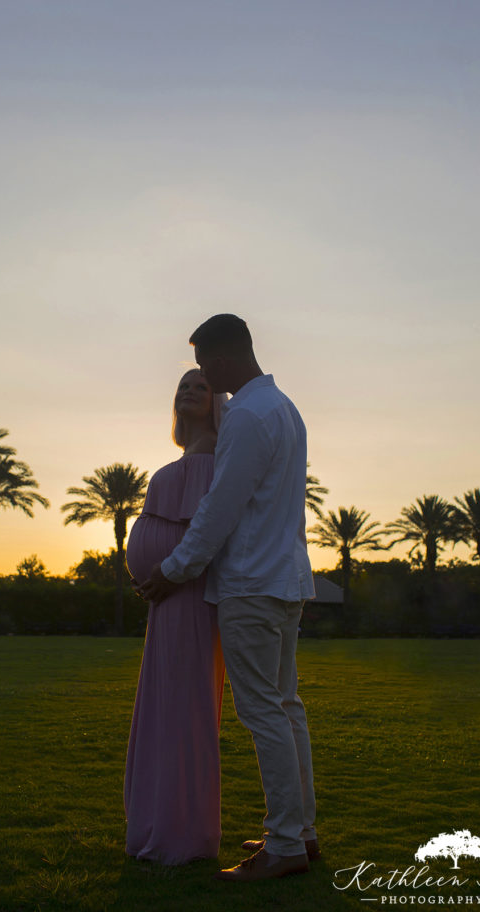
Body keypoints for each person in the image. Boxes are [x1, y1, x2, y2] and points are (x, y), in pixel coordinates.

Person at [140, 314, 318, 882]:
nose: (200, 376)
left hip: (251, 584)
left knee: (264, 710)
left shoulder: (246, 415)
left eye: (202, 366)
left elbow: (222, 507)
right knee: (287, 708)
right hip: (285, 581)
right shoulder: (285, 409)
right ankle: (302, 831)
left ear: (219, 361)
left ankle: (285, 843)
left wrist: (173, 569)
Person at [124, 368, 226, 864]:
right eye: (182, 386)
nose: (188, 391)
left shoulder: (215, 465)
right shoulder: (182, 461)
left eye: (200, 386)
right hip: (164, 603)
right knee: (164, 707)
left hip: (187, 599)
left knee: (185, 709)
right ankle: (155, 820)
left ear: (216, 403)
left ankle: (184, 833)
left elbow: (205, 538)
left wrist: (162, 567)